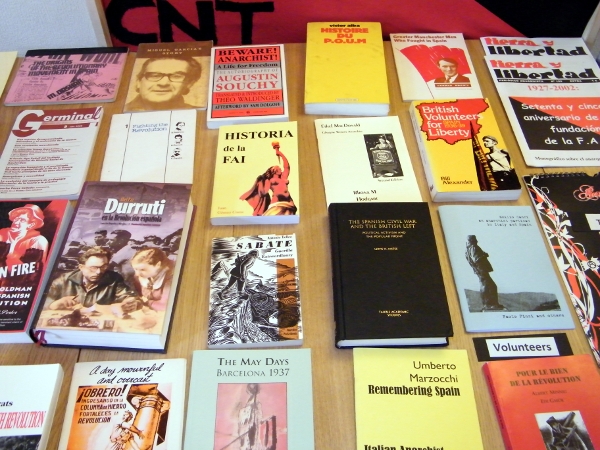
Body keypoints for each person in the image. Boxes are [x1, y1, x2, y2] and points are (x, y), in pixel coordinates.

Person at [45, 247, 142, 312]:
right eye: (93, 268)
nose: (98, 272)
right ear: (81, 267)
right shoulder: (65, 279)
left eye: (103, 267)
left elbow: (129, 297)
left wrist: (132, 303)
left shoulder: (114, 279)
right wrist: (52, 304)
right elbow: (42, 299)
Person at [124, 56, 202, 111]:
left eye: (176, 76)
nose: (163, 83)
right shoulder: (120, 111)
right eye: (154, 75)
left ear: (189, 83)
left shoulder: (200, 114)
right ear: (138, 82)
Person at [240, 142, 297, 216]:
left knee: (289, 218)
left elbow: (287, 167)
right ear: (274, 171)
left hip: (289, 202)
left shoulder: (283, 177)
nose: (280, 169)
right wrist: (260, 183)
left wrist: (280, 153)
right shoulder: (269, 180)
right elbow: (263, 192)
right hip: (277, 202)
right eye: (278, 168)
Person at [465, 235, 505, 311]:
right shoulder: (474, 247)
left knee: (487, 285)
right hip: (481, 269)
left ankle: (489, 304)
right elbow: (476, 259)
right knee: (491, 286)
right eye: (475, 239)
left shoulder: (468, 249)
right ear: (472, 240)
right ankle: (490, 304)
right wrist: (483, 255)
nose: (477, 241)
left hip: (478, 270)